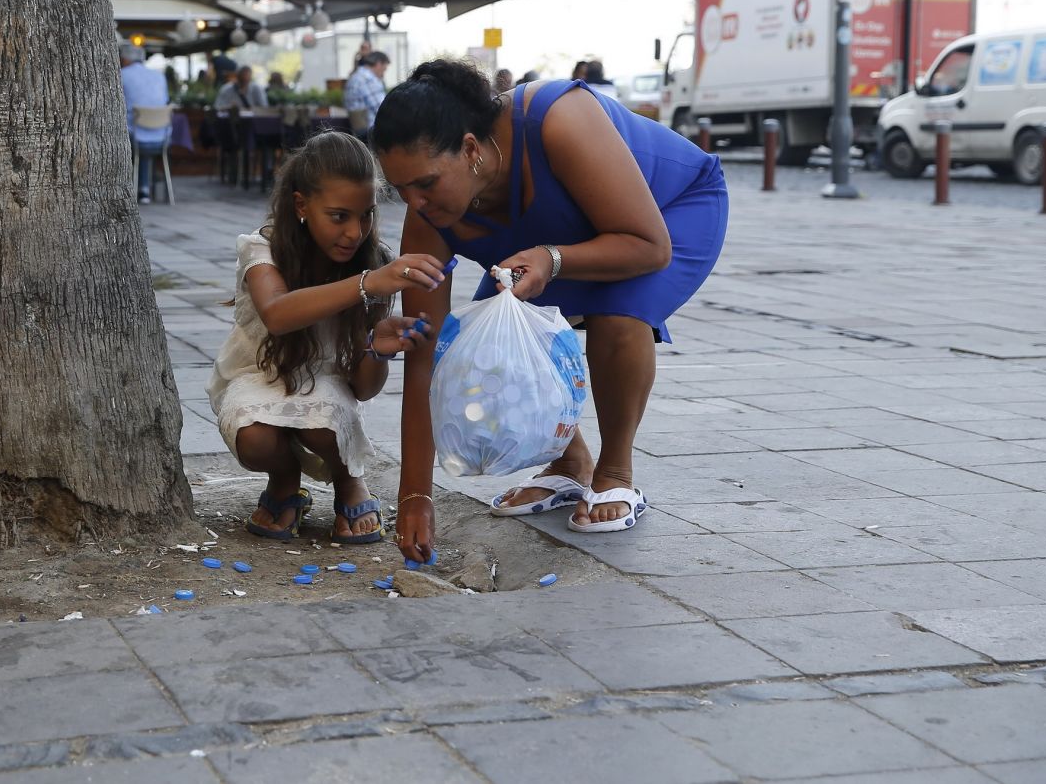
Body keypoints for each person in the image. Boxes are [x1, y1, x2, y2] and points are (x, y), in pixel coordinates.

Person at [371, 60, 729, 561]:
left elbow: (649, 247)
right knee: (488, 340)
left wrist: (552, 259)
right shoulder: (426, 217)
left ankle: (615, 471)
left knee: (618, 313)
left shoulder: (557, 118)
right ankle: (570, 460)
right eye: (400, 189)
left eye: (426, 183)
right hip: (562, 241)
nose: (416, 202)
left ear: (471, 149)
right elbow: (424, 352)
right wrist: (415, 497)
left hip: (669, 211)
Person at [206, 132, 444, 544]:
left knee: (324, 427)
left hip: (326, 387)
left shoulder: (374, 265)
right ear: (302, 205)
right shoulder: (263, 250)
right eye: (339, 216)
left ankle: (349, 480)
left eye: (366, 215)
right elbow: (279, 316)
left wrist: (376, 349)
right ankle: (285, 480)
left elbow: (362, 389)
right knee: (256, 438)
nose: (355, 232)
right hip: (256, 377)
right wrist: (367, 283)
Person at [120, 42, 169, 205]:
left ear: (124, 59)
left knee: (133, 133)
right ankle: (144, 189)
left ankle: (128, 188)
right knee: (143, 134)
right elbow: (165, 100)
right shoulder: (159, 75)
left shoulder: (122, 74)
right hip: (161, 137)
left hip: (135, 136)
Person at [344, 50, 390, 130]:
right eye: (384, 69)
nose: (383, 73)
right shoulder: (368, 79)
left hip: (358, 129)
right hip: (371, 131)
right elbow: (381, 108)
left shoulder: (356, 76)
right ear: (378, 64)